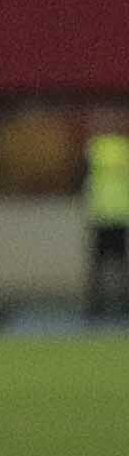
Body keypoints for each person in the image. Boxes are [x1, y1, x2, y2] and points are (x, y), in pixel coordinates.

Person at [84, 114, 126, 322]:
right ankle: (122, 304)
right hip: (119, 215)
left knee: (99, 265)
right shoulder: (124, 149)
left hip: (102, 213)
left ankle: (96, 306)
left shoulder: (95, 149)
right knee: (119, 264)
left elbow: (82, 176)